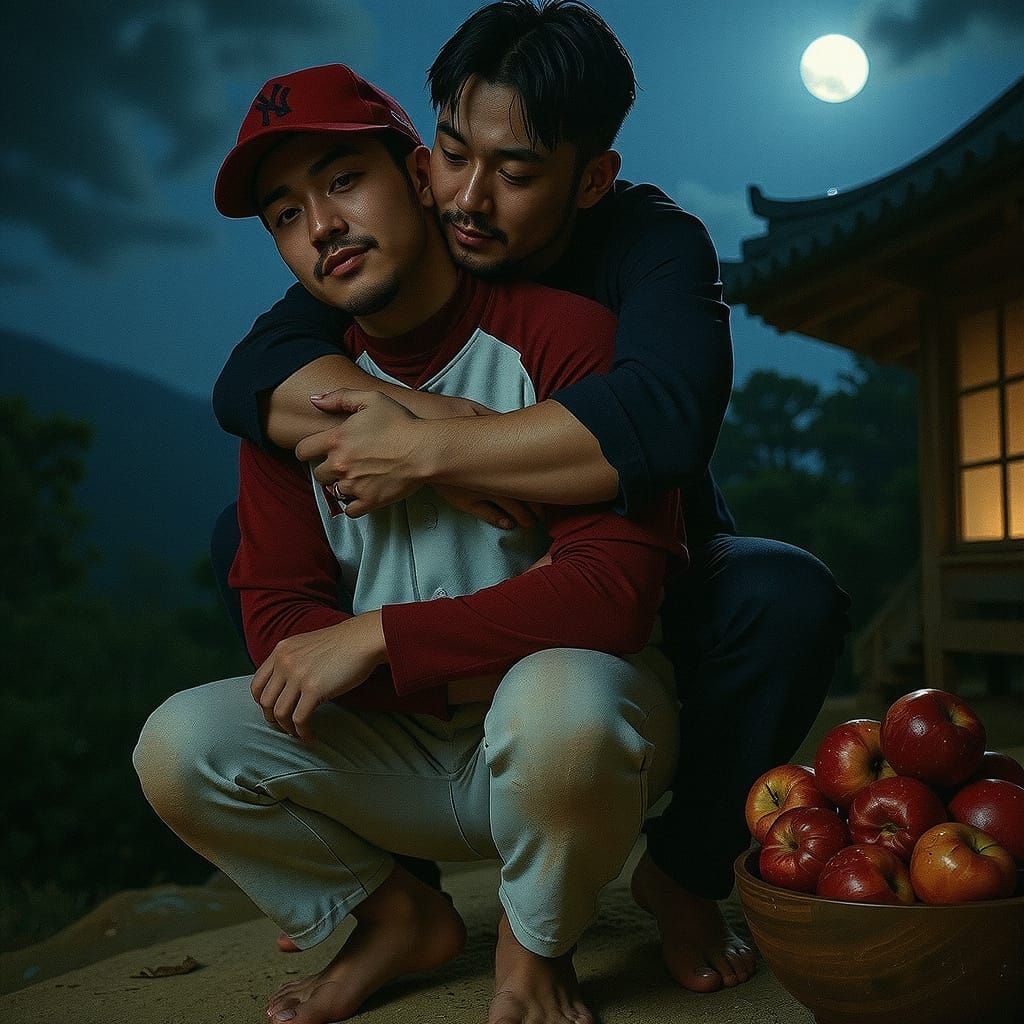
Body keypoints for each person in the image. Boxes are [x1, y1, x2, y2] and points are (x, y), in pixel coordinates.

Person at [211, 0, 850, 995]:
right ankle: (397, 888)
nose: (468, 198)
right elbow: (250, 378)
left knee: (787, 595)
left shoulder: (650, 244)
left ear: (590, 177)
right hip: (467, 589)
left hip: (638, 562)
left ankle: (678, 875)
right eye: (453, 153)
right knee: (240, 538)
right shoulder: (385, 228)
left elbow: (665, 422)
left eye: (513, 173)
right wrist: (415, 411)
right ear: (421, 158)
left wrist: (435, 454)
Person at [136, 62, 686, 1024]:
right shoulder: (292, 402)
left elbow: (614, 595)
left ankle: (537, 934)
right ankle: (397, 916)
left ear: (423, 175)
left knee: (565, 705)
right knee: (180, 745)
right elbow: (280, 622)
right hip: (402, 752)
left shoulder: (564, 337)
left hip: (567, 742)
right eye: (285, 213)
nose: (321, 225)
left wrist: (380, 636)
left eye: (342, 178)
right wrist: (429, 660)